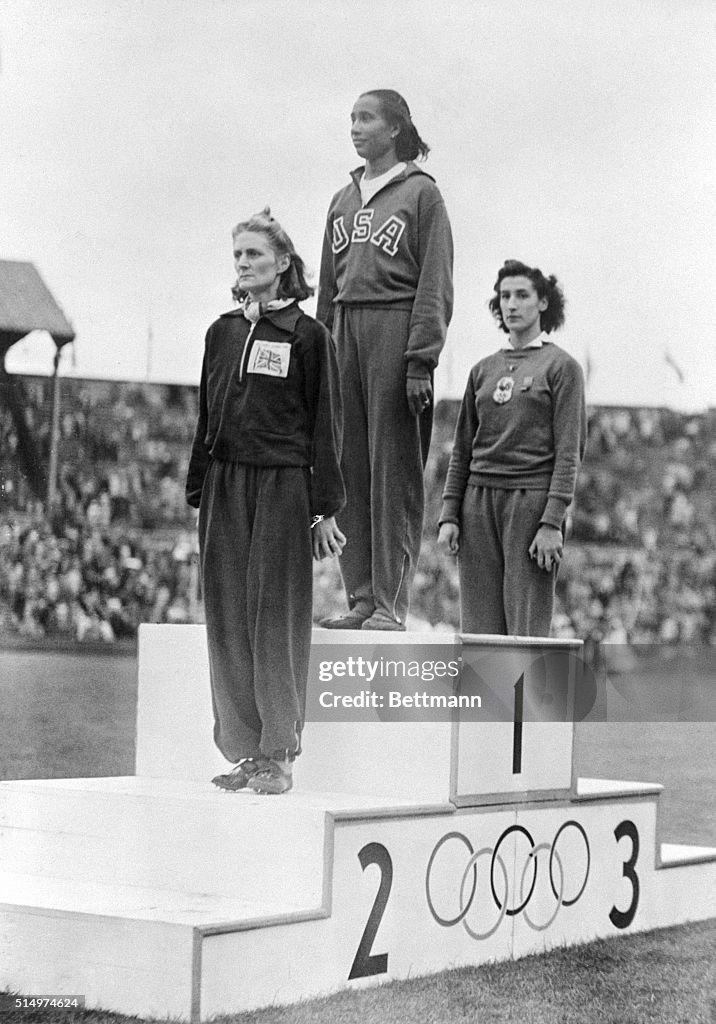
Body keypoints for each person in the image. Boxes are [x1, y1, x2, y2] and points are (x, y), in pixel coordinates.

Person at [186, 208, 345, 794]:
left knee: (273, 617)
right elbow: (207, 418)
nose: (244, 264)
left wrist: (324, 508)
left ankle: (280, 755)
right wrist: (200, 488)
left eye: (255, 254)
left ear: (282, 263)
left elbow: (327, 426)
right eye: (238, 256)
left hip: (283, 485)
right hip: (226, 484)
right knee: (226, 617)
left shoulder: (309, 336)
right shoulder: (222, 332)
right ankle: (246, 751)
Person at [317, 88, 453, 631]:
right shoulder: (342, 199)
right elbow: (329, 285)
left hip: (396, 329)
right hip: (345, 329)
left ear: (395, 129)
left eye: (366, 118)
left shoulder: (422, 194)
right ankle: (362, 598)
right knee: (348, 467)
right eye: (351, 117)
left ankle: (392, 604)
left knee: (392, 471)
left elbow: (435, 280)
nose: (354, 127)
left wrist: (420, 358)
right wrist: (322, 352)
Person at [438, 260, 586, 637]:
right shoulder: (482, 370)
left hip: (530, 502)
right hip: (478, 502)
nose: (512, 304)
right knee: (479, 629)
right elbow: (462, 451)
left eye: (522, 295)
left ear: (542, 303)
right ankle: (484, 698)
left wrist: (552, 521)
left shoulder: (562, 367)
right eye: (505, 296)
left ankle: (526, 698)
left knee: (525, 627)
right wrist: (450, 514)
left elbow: (570, 452)